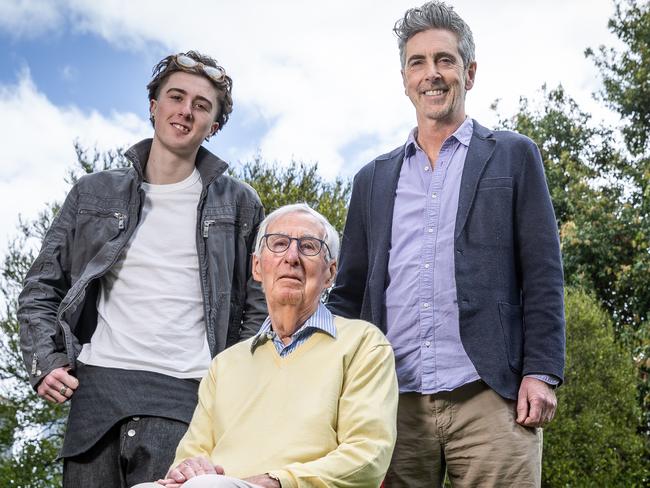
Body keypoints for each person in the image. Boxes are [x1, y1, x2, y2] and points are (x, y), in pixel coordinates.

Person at [327, 2, 566, 486]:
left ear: (469, 73)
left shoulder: (514, 156)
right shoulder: (371, 180)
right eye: (418, 62)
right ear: (404, 78)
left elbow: (542, 272)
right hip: (389, 403)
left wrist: (541, 370)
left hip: (491, 395)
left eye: (445, 60)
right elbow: (348, 293)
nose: (431, 74)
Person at [17, 50, 267, 487]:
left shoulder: (239, 205)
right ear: (154, 105)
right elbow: (42, 285)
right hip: (96, 397)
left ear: (215, 126)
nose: (186, 111)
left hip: (186, 399)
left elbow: (259, 304)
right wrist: (46, 359)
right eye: (176, 96)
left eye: (202, 106)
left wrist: (233, 383)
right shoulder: (92, 193)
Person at [136, 204, 398, 488]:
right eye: (279, 244)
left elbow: (368, 455)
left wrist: (276, 480)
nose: (292, 257)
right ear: (257, 266)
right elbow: (188, 458)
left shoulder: (363, 344)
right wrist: (188, 469)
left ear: (330, 273)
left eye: (309, 246)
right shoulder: (224, 365)